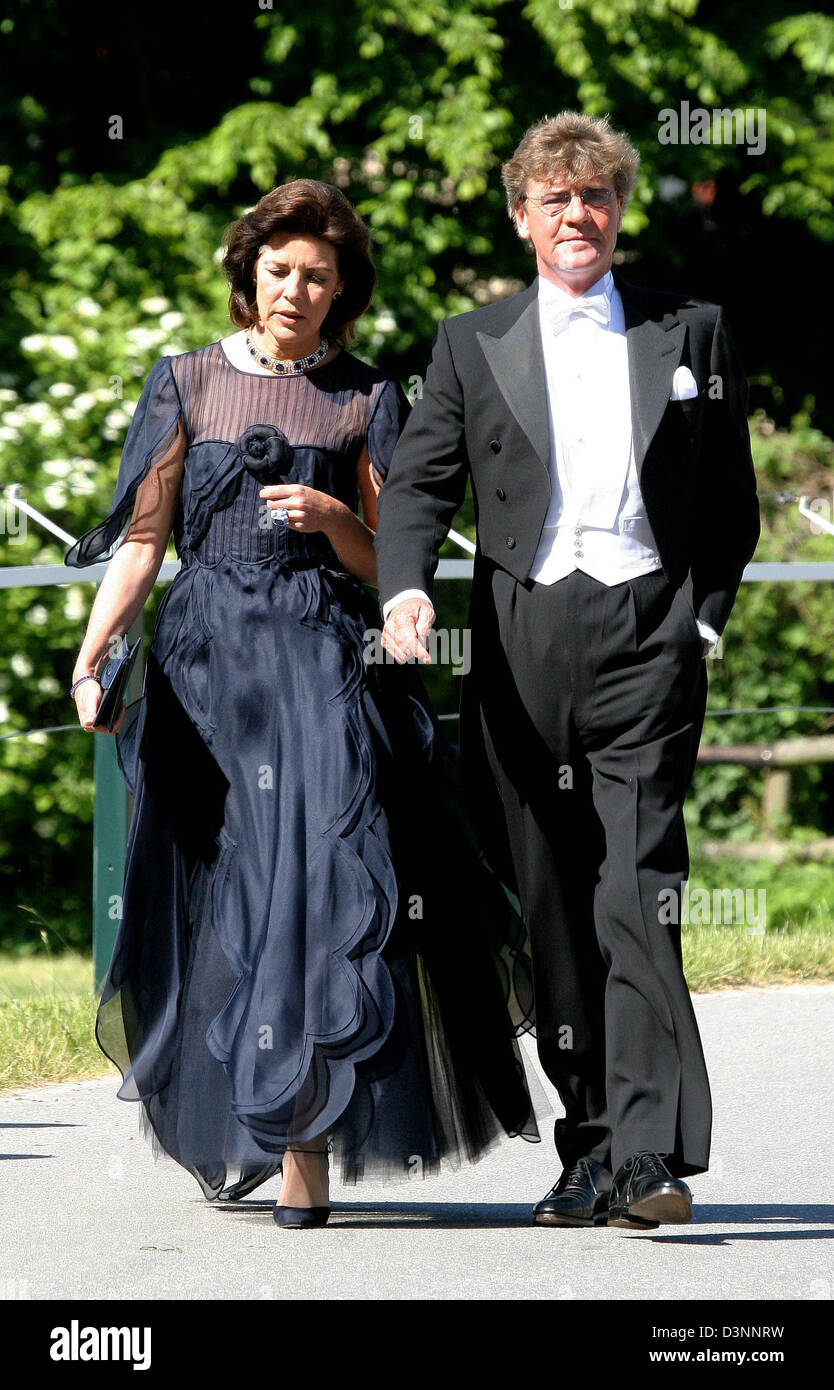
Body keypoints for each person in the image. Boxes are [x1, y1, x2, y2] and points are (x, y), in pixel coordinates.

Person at [68, 178, 539, 1229]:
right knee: (229, 887)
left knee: (319, 873)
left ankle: (302, 1139)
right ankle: (254, 1106)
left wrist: (334, 518)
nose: (294, 287)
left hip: (323, 660)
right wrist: (95, 650)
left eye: (317, 274)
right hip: (206, 666)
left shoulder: (367, 397)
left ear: (342, 289)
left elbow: (388, 560)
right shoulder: (185, 381)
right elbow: (145, 541)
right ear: (250, 275)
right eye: (278, 268)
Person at [375, 113, 760, 1229]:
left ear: (618, 212)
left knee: (636, 888)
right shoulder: (470, 341)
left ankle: (649, 1155)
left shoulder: (692, 333)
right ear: (521, 217)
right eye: (554, 199)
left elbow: (730, 502)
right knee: (549, 905)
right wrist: (406, 587)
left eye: (594, 197)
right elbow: (416, 487)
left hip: (648, 628)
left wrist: (705, 619)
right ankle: (586, 1142)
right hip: (519, 640)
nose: (576, 216)